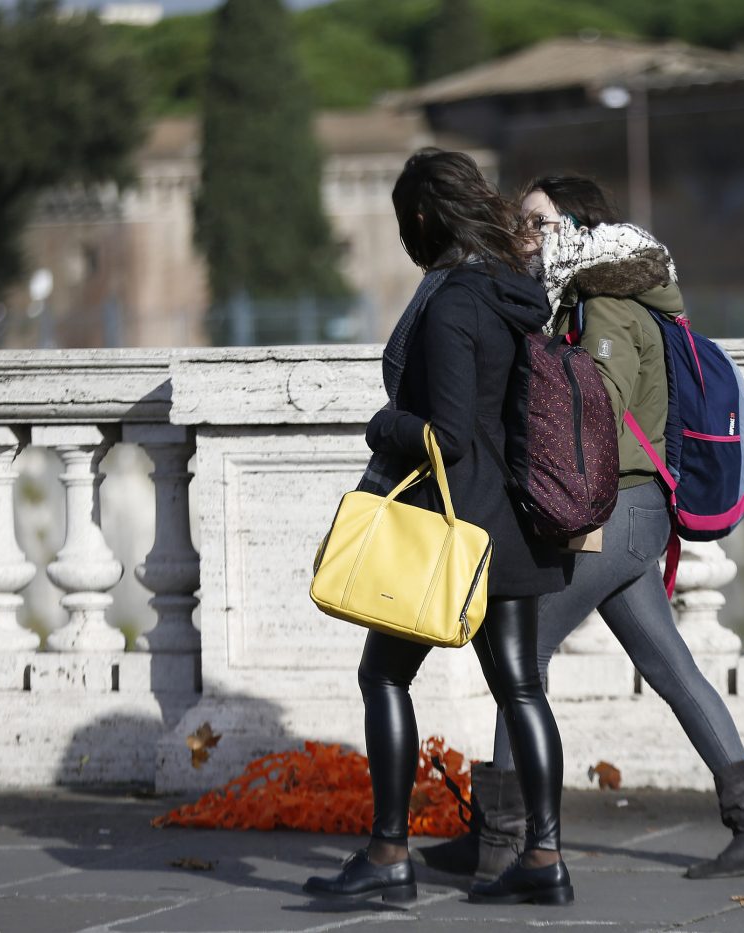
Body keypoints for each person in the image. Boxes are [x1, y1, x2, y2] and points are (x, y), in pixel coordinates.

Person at [416, 176, 744, 882]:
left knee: (520, 654)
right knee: (670, 667)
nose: (523, 234)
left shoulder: (609, 301)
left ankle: (503, 835)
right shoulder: (580, 298)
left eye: (536, 221)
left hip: (619, 513)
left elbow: (594, 408)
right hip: (625, 514)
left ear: (575, 227)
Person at [302, 150, 574, 908]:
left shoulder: (453, 302)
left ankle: (390, 852)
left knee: (382, 674)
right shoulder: (516, 293)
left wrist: (385, 423)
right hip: (515, 526)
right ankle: (544, 855)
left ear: (422, 217)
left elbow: (447, 434)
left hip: (454, 533)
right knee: (521, 687)